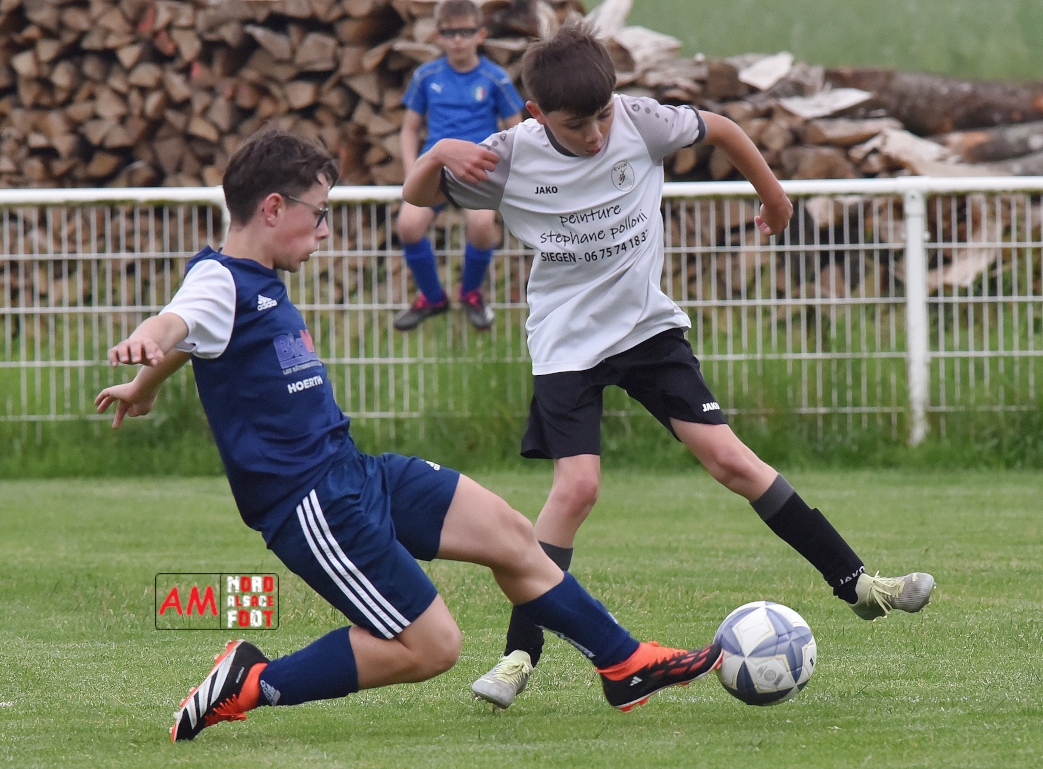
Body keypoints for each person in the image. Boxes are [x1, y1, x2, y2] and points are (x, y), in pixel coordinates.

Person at [95, 128, 725, 742]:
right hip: (311, 504)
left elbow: (200, 334)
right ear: (273, 208)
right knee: (433, 647)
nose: (324, 231)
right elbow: (180, 320)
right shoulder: (221, 278)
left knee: (510, 535)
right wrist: (149, 338)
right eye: (319, 213)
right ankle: (252, 683)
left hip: (353, 471)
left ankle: (623, 664)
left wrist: (147, 385)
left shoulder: (247, 283)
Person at [401, 23, 936, 710]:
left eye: (602, 115)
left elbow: (723, 128)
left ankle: (859, 584)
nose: (596, 134)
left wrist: (774, 196)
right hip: (566, 343)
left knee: (731, 459)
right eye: (576, 125)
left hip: (648, 329)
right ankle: (518, 654)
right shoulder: (507, 157)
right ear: (536, 114)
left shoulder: (640, 121)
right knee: (576, 490)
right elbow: (417, 197)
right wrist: (439, 151)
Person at [392, 0, 525, 332]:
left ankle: (470, 293)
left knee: (481, 226)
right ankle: (432, 297)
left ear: (481, 34)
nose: (458, 40)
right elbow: (409, 129)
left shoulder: (495, 78)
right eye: (450, 33)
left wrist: (505, 170)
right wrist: (412, 169)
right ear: (437, 36)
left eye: (466, 32)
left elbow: (517, 129)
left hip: (478, 169)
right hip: (434, 168)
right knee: (408, 225)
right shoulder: (426, 76)